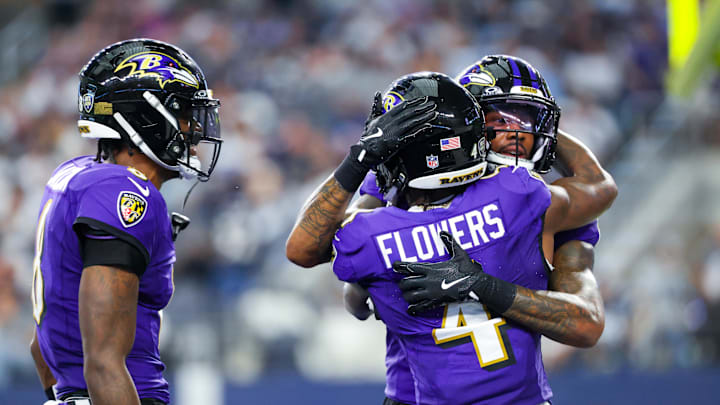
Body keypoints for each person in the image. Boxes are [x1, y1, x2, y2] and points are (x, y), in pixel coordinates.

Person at [286, 56, 614, 405]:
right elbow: (599, 187)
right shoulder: (526, 194)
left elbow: (348, 291)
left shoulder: (376, 221)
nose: (518, 133)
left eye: (526, 119)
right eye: (498, 118)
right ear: (470, 127)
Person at [28, 38, 222, 405]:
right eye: (183, 112)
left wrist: (63, 399)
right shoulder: (123, 191)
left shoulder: (75, 175)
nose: (195, 129)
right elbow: (103, 362)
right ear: (143, 116)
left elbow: (42, 341)